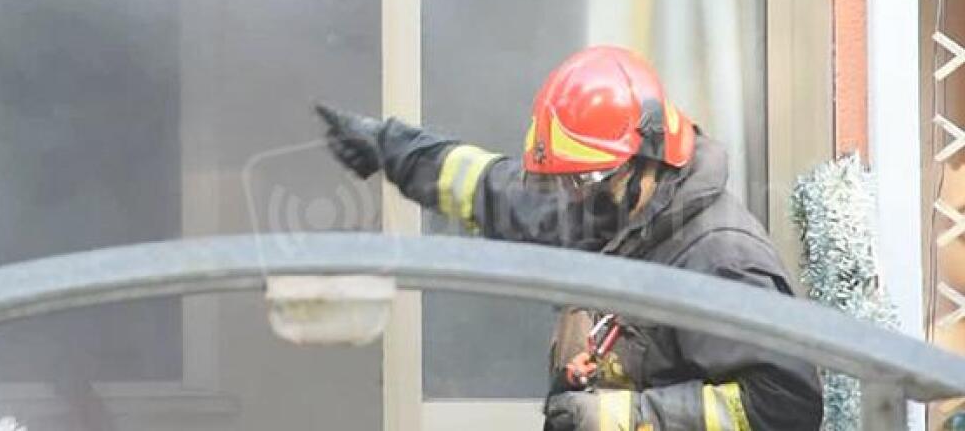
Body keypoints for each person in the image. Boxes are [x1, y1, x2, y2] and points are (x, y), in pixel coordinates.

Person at [316, 45, 822, 430]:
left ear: (648, 157)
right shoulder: (603, 204)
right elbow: (489, 190)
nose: (570, 197)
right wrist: (391, 148)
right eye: (563, 180)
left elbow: (784, 403)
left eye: (583, 179)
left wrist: (615, 416)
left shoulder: (718, 256)